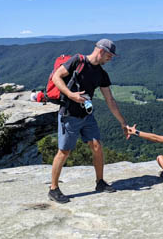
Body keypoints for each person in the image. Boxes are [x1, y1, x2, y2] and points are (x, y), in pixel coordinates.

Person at [48, 39, 131, 203]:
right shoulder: (77, 61)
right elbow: (57, 77)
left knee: (97, 146)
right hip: (69, 114)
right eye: (109, 55)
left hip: (86, 114)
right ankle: (53, 189)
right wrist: (71, 95)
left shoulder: (101, 74)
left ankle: (100, 182)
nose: (111, 59)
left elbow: (110, 100)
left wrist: (123, 122)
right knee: (64, 151)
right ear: (100, 51)